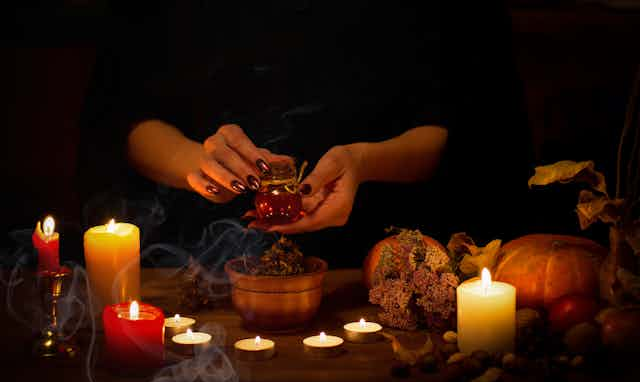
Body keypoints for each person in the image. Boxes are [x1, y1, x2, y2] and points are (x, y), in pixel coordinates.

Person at [79, 2, 532, 267]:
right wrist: (196, 163)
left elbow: (473, 120)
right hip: (199, 260)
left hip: (389, 259)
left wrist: (363, 162)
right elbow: (122, 111)